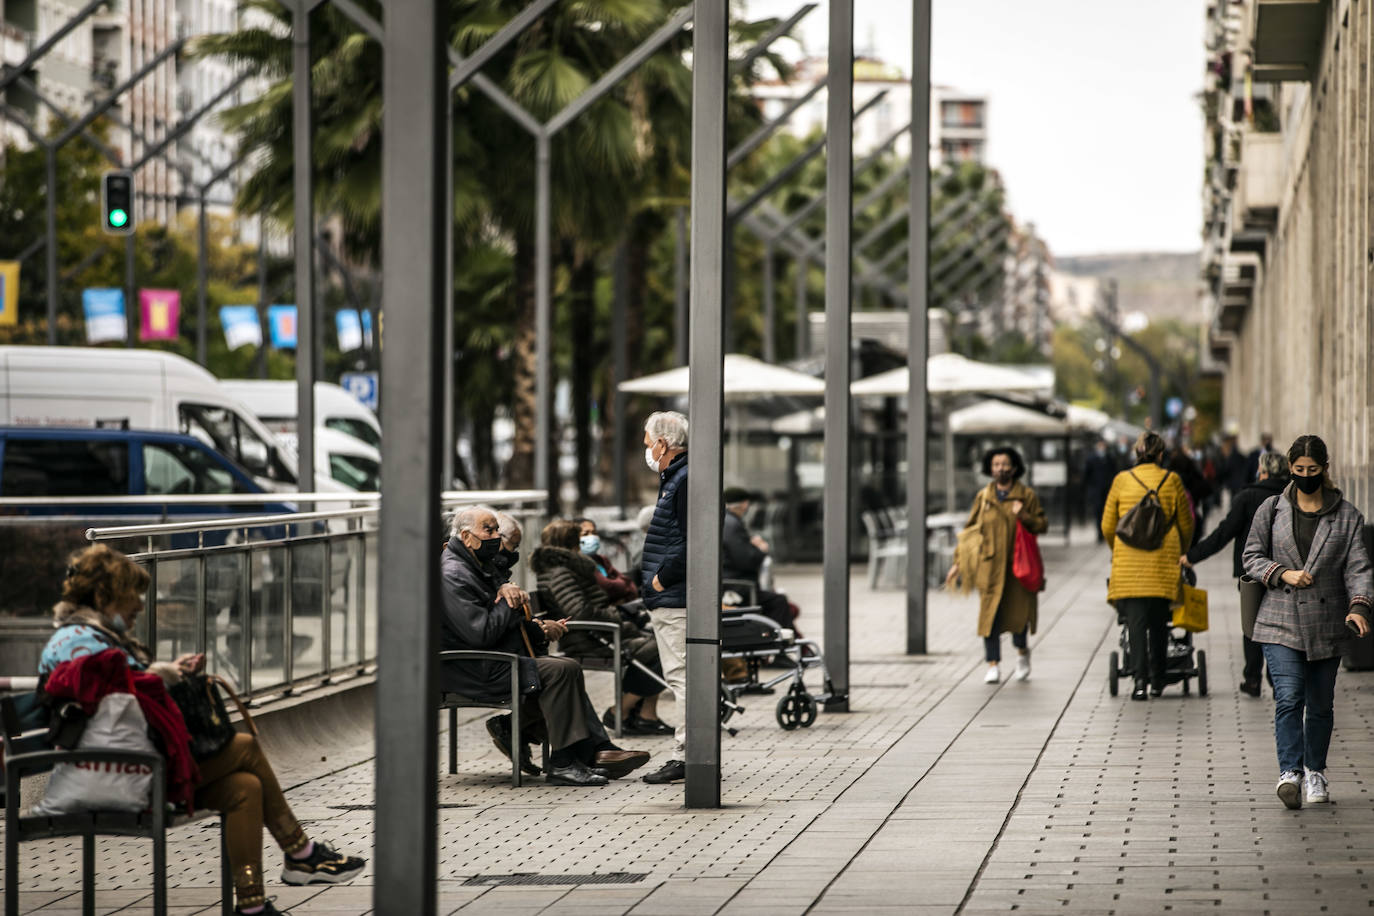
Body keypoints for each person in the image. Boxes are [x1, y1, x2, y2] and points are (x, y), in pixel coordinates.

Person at [37, 545, 365, 916]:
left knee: (245, 788)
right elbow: (115, 693)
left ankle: (252, 906)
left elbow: (122, 690)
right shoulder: (78, 641)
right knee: (244, 747)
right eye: (133, 597)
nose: (141, 607)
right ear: (106, 596)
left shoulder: (90, 636)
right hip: (119, 772)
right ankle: (301, 853)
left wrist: (166, 672)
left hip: (132, 763)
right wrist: (160, 676)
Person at [440, 505, 650, 786]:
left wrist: (537, 629)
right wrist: (507, 600)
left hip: (494, 659)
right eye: (488, 530)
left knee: (565, 667)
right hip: (472, 668)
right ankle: (565, 762)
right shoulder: (455, 573)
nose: (495, 537)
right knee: (559, 671)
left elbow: (501, 621)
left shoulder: (477, 565)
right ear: (466, 537)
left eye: (496, 530)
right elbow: (480, 633)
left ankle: (585, 754)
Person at [1242, 434, 1372, 809]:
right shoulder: (1271, 509)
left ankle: (1315, 769)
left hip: (1326, 623)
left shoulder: (1346, 516)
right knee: (1289, 696)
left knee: (1320, 704)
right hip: (1278, 619)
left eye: (1312, 471)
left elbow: (1358, 567)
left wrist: (1359, 607)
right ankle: (1290, 773)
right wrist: (1282, 573)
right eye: (1298, 470)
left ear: (1325, 470)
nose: (1305, 476)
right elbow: (1251, 556)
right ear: (1290, 469)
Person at [533, 519, 672, 736]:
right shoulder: (560, 572)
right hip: (590, 638)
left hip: (600, 633)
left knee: (661, 644)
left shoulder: (566, 568)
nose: (585, 541)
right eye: (579, 539)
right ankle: (620, 711)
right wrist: (617, 615)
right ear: (570, 543)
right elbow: (579, 612)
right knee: (664, 648)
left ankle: (646, 716)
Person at [1179, 451, 1290, 697]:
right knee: (1282, 628)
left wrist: (1192, 556)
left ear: (1262, 471)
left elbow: (1223, 533)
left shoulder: (1247, 497)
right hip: (1285, 574)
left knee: (1252, 626)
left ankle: (1252, 679)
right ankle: (1277, 678)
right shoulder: (1291, 497)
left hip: (1251, 573)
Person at [1101, 431, 1195, 701]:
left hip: (1129, 563)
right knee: (1158, 623)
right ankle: (1157, 679)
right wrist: (1183, 550)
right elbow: (1186, 523)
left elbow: (1108, 525)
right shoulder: (1172, 480)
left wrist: (1117, 548)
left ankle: (1139, 682)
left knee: (1135, 624)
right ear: (1161, 454)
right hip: (1163, 562)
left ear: (1136, 453)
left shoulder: (1121, 480)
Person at [946, 447, 1049, 685]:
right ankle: (993, 664)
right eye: (995, 465)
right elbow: (971, 532)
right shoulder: (983, 498)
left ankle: (1022, 653)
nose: (1000, 468)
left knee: (1019, 617)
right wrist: (958, 563)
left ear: (1014, 468)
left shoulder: (1027, 495)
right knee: (989, 617)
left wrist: (1024, 515)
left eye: (1004, 464)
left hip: (1017, 570)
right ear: (989, 469)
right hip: (990, 569)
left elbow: (1042, 525)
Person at [639, 410, 690, 785]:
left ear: (662, 443)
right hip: (672, 594)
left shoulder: (683, 479)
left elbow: (691, 542)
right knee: (683, 676)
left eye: (647, 441)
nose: (646, 448)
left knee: (682, 677)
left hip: (675, 597)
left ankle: (687, 754)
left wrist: (660, 581)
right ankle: (691, 752)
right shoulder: (676, 477)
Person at [722, 487, 799, 636]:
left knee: (779, 601)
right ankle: (779, 642)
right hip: (736, 588)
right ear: (744, 504)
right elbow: (745, 560)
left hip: (729, 584)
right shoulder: (732, 524)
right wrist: (760, 550)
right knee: (779, 602)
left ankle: (785, 640)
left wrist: (750, 545)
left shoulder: (726, 521)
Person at [575, 518, 640, 604]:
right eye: (585, 534)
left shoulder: (602, 560)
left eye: (594, 533)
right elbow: (607, 587)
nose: (592, 537)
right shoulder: (577, 562)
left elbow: (629, 584)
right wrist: (622, 589)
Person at [1083, 439, 1116, 543]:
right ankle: (1099, 533)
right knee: (1098, 512)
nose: (1102, 447)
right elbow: (1086, 475)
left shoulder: (1109, 458)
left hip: (1107, 490)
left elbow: (1114, 472)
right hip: (1096, 491)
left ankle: (1105, 532)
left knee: (1107, 512)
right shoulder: (1091, 459)